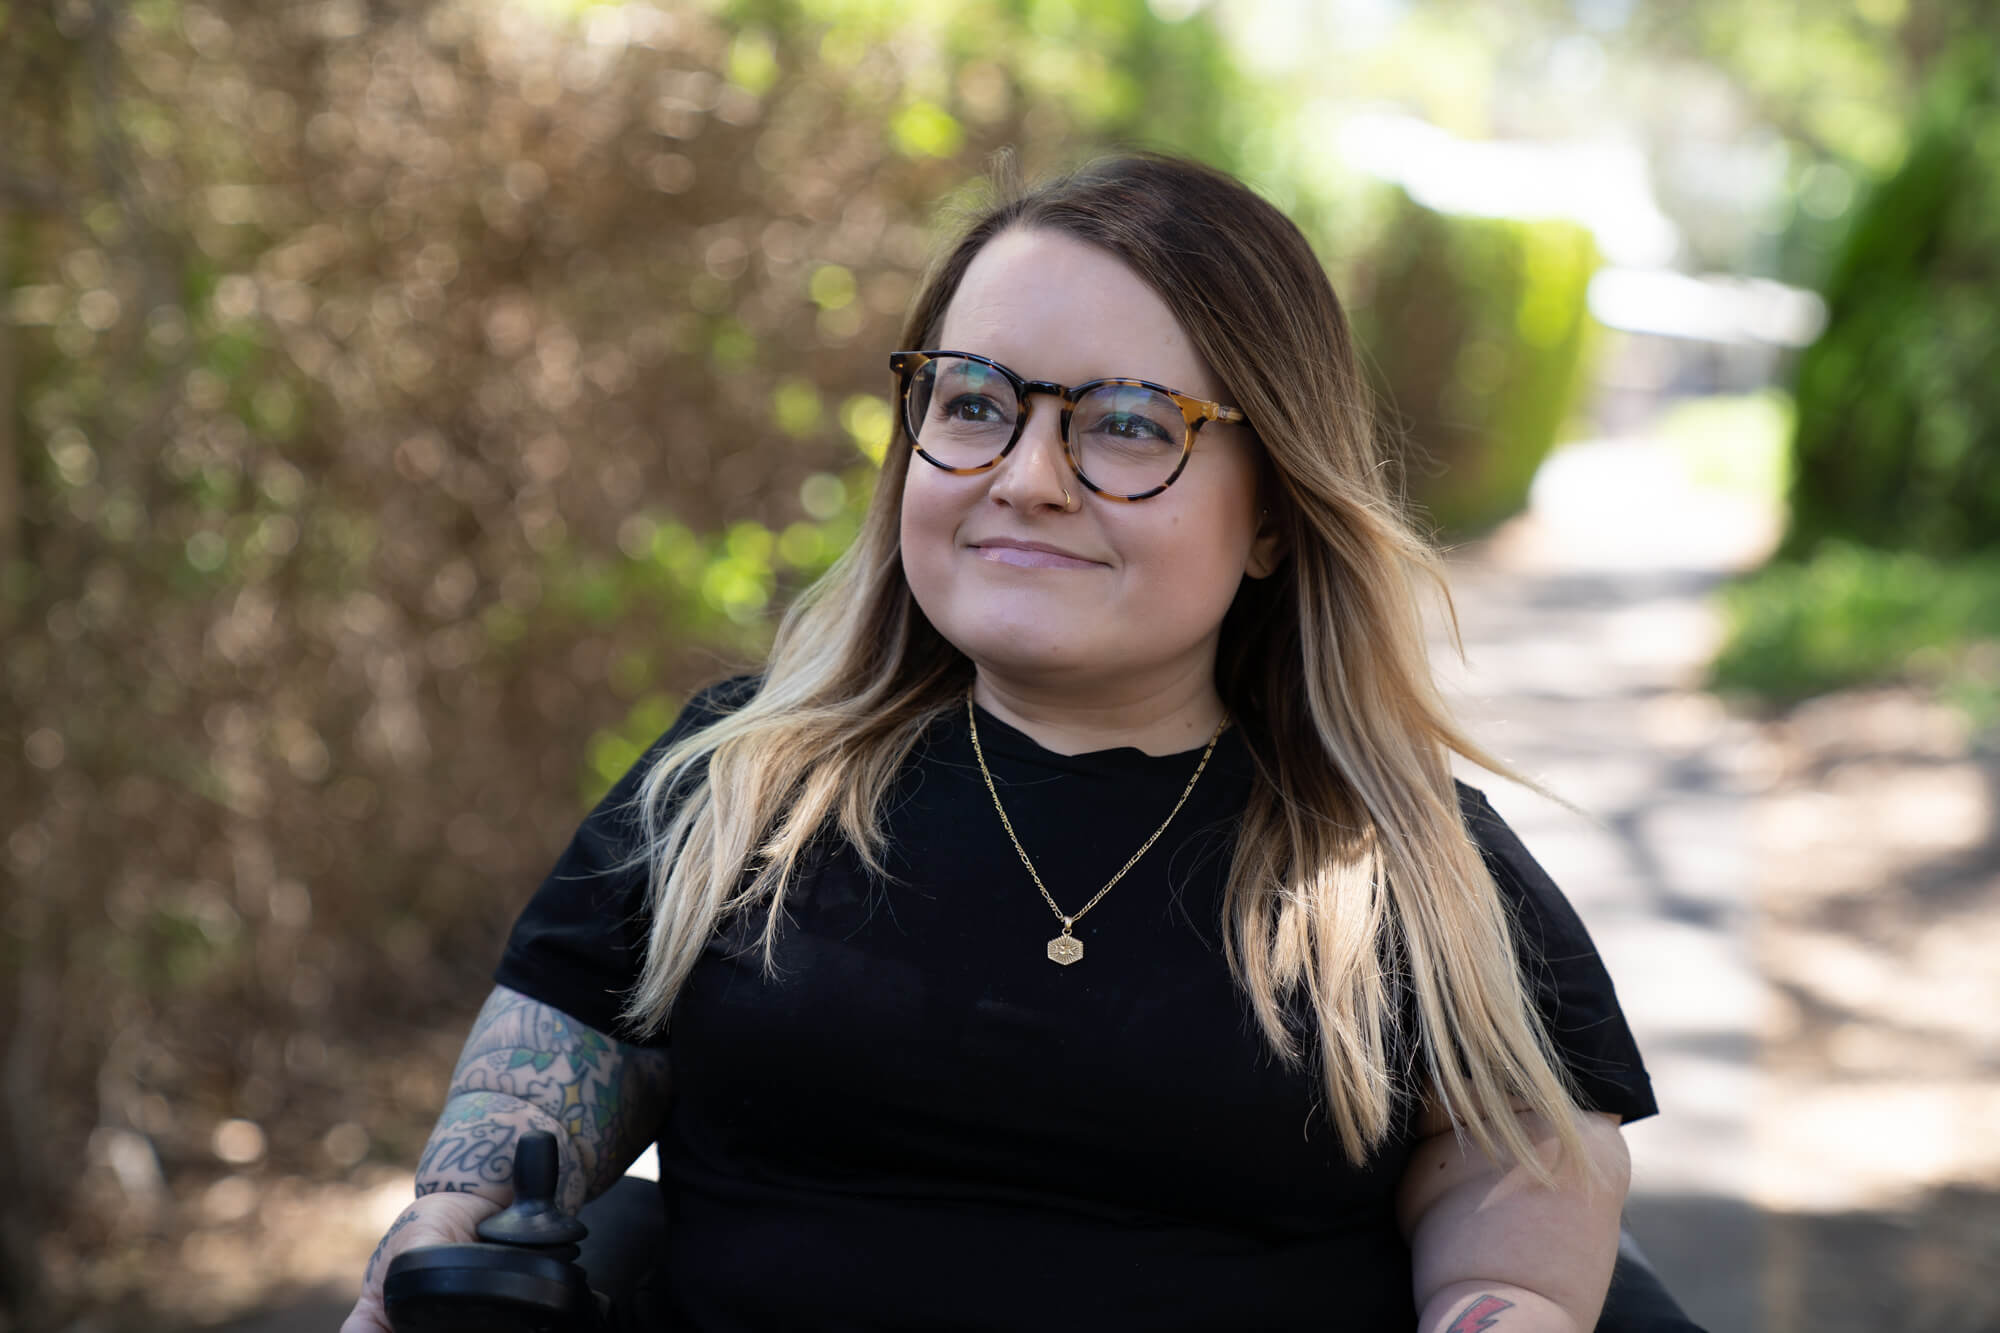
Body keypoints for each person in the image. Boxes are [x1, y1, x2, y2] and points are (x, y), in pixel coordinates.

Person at [343, 152, 1656, 1333]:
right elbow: (502, 1153)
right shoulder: (737, 788)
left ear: (1274, 517)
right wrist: (435, 1250)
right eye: (975, 403)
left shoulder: (1398, 861)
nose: (1026, 474)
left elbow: (1523, 1173)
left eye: (1128, 424)